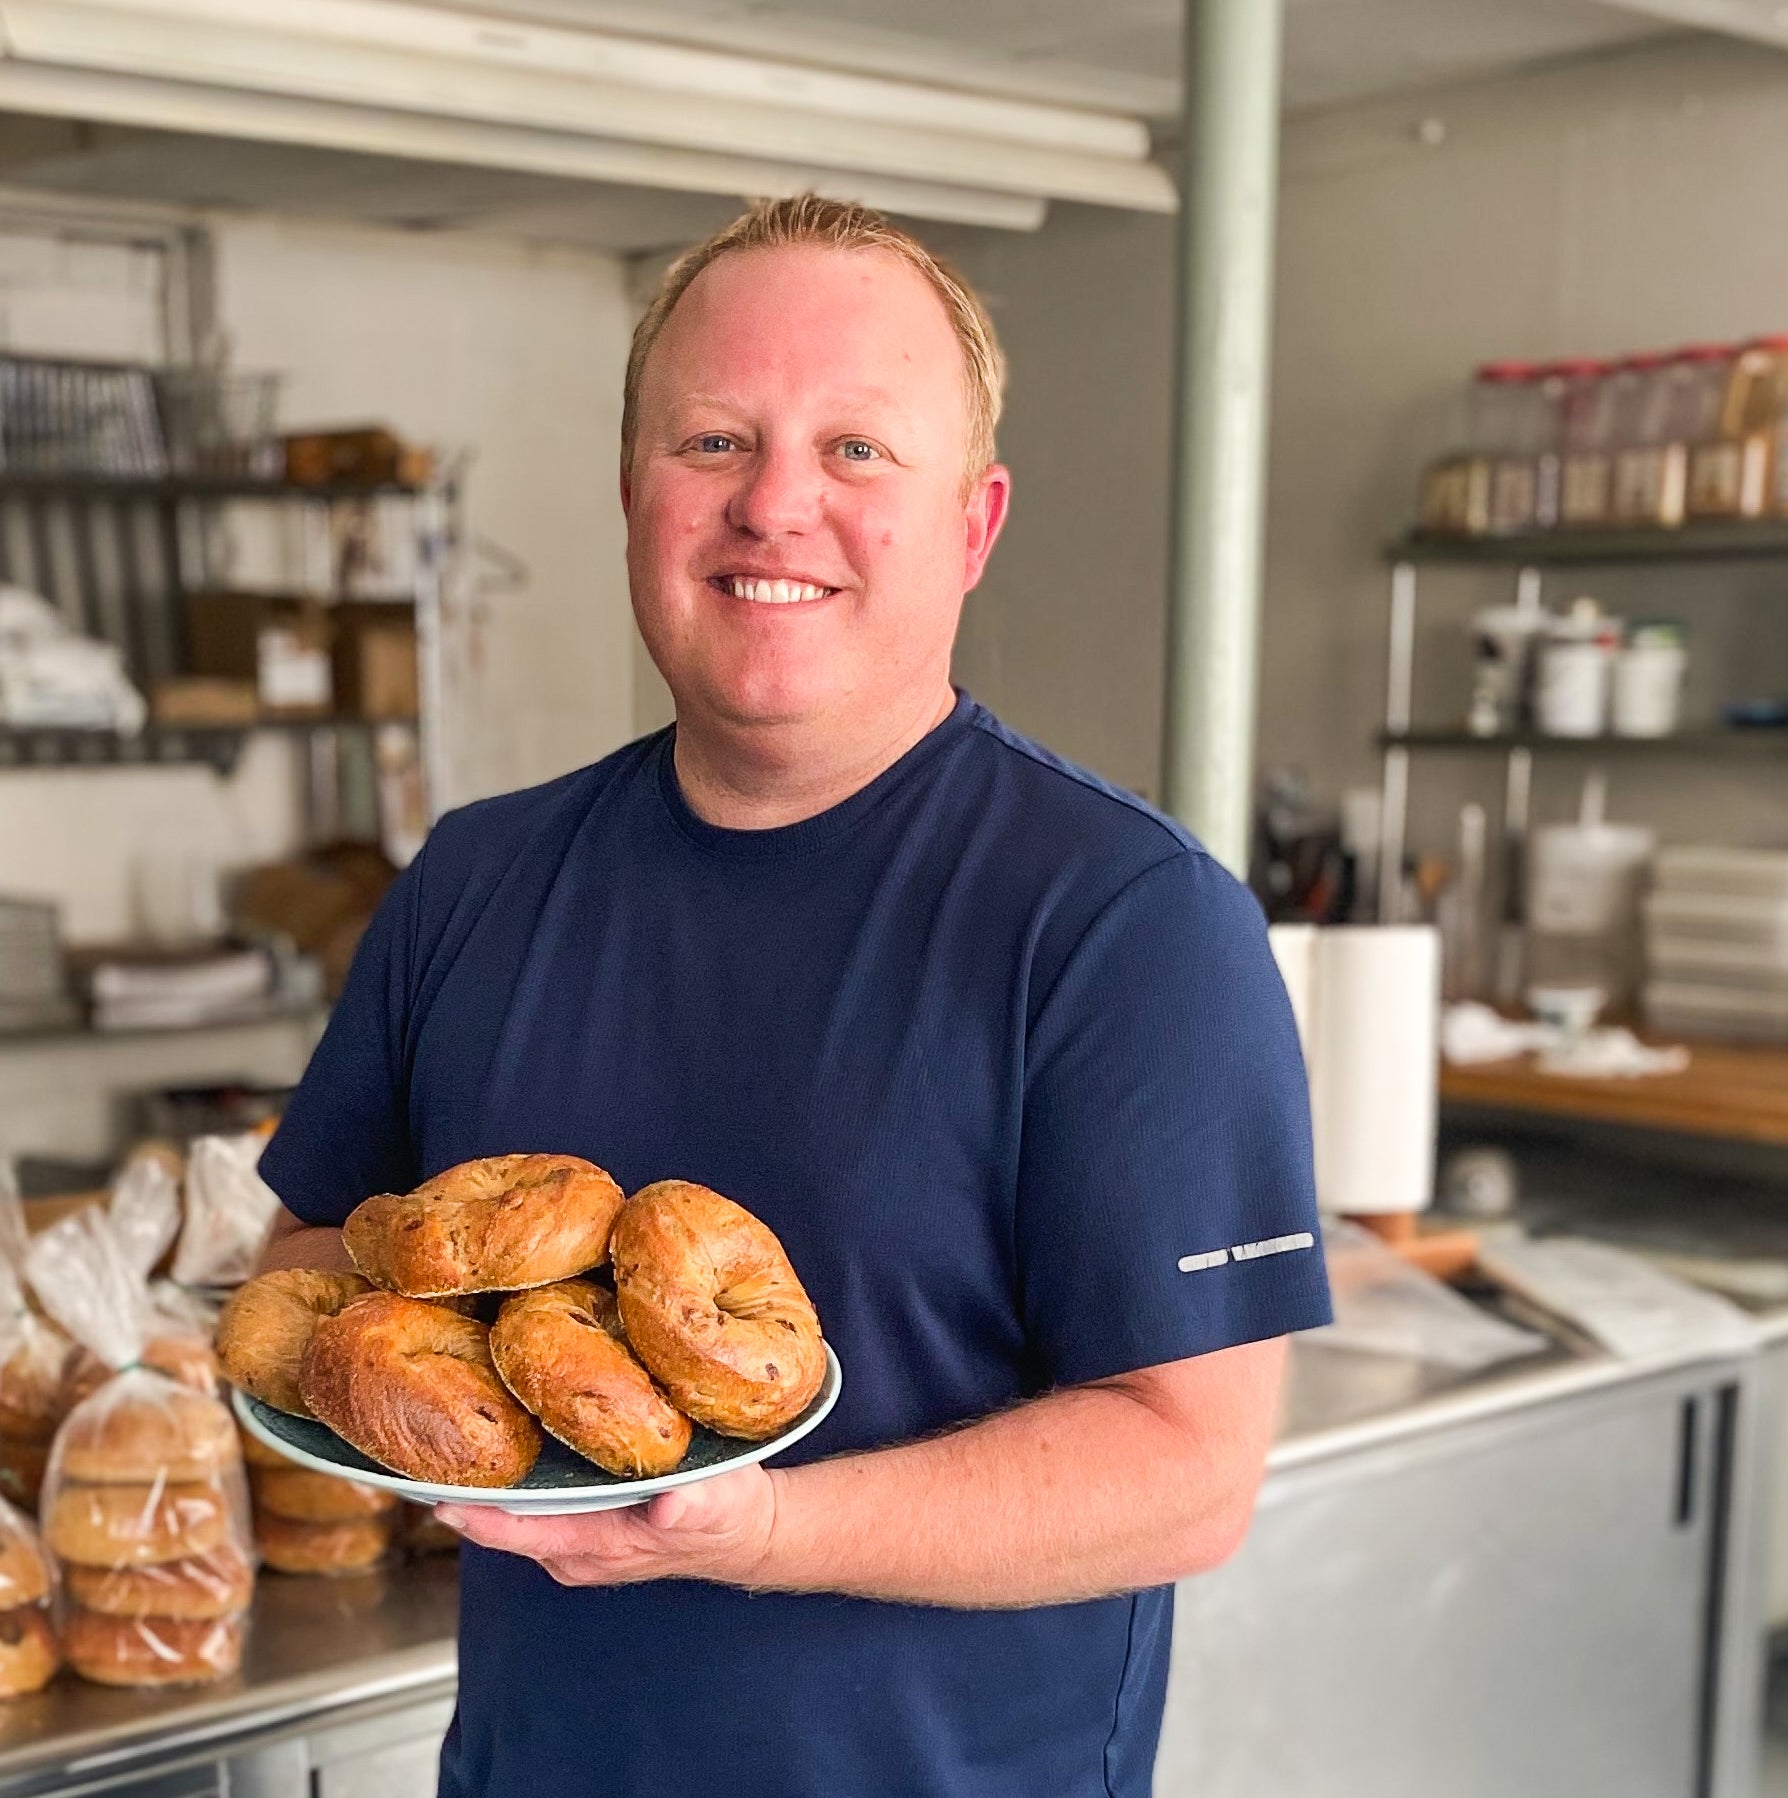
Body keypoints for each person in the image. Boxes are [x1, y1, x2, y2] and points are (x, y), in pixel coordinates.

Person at [256, 194, 1331, 1798]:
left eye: (856, 451)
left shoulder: (1126, 924)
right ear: (632, 494)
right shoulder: (474, 881)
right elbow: (308, 1272)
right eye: (711, 442)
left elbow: (1187, 1469)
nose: (774, 505)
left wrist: (758, 1530)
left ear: (973, 524)